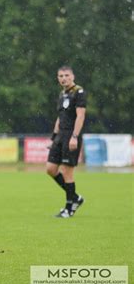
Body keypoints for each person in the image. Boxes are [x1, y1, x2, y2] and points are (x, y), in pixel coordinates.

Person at [46, 66, 86, 218]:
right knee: (50, 169)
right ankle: (75, 197)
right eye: (61, 76)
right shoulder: (62, 93)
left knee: (67, 172)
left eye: (66, 75)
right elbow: (59, 117)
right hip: (60, 136)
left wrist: (75, 136)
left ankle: (69, 208)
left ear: (72, 76)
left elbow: (80, 116)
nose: (64, 78)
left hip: (71, 135)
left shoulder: (79, 92)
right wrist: (53, 137)